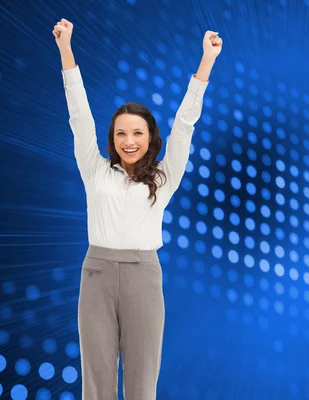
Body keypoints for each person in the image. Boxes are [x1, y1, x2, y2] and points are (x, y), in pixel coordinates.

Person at [52, 18, 222, 400]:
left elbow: (185, 126)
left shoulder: (164, 176)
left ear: (150, 138)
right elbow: (79, 117)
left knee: (143, 383)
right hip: (96, 274)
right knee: (96, 382)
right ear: (112, 139)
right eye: (121, 133)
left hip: (144, 276)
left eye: (137, 133)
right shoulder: (95, 170)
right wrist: (66, 49)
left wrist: (206, 62)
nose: (129, 141)